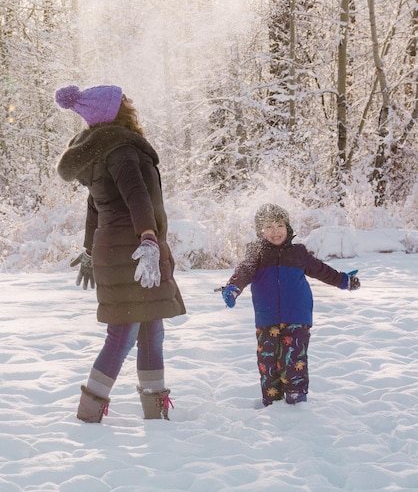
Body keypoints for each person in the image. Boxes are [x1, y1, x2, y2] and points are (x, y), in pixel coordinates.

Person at [55, 84, 186, 422]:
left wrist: (88, 250)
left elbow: (95, 206)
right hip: (133, 248)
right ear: (113, 110)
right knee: (124, 333)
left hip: (116, 248)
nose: (130, 100)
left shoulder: (102, 149)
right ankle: (89, 413)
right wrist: (147, 238)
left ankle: (155, 411)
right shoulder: (122, 149)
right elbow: (136, 197)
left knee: (150, 329)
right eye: (123, 98)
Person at [220, 203, 360, 407]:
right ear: (261, 231)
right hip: (267, 319)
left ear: (288, 228)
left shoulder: (298, 253)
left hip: (297, 316)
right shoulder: (256, 253)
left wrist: (344, 281)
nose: (275, 231)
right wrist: (233, 287)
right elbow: (244, 271)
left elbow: (321, 270)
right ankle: (272, 404)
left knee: (293, 361)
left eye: (279, 226)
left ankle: (297, 403)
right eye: (268, 227)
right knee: (268, 363)